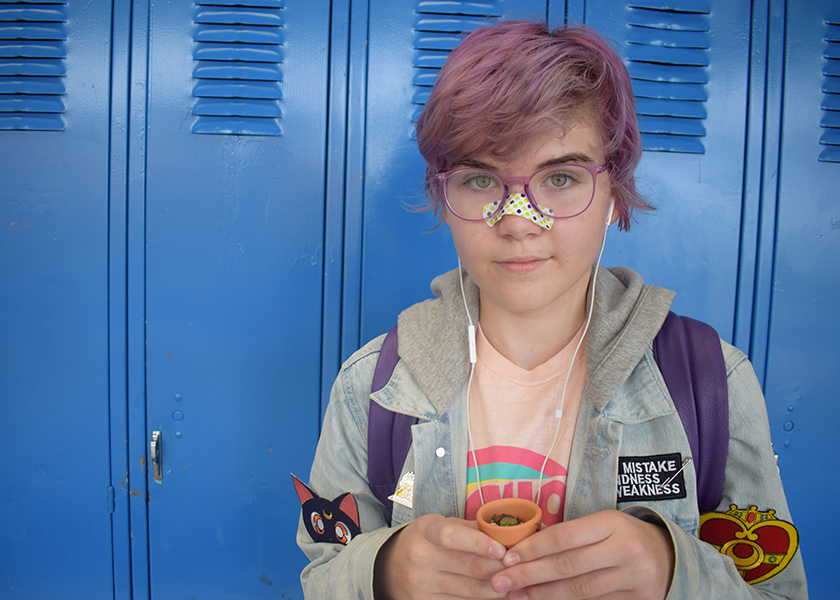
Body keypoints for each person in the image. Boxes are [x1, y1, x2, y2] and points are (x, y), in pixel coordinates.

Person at [295, 18, 807, 600]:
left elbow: (779, 590)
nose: (518, 223)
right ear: (444, 192)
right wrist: (382, 571)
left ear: (614, 190)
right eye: (481, 179)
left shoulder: (711, 381)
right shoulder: (372, 387)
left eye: (560, 177)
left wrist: (675, 571)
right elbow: (321, 571)